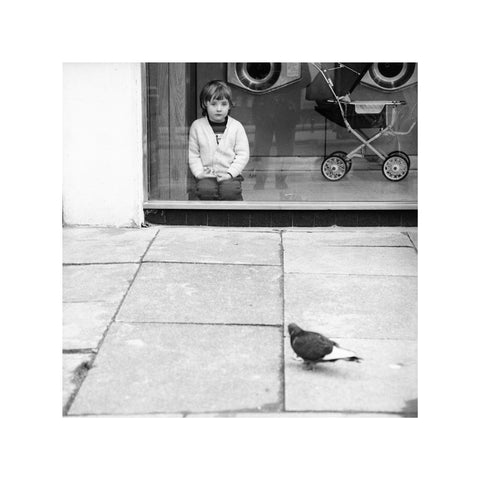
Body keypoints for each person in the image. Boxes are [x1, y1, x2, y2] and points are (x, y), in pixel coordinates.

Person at [188, 80, 249, 200]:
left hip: (230, 174)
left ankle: (233, 217)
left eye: (224, 104)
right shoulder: (197, 126)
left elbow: (243, 154)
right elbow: (193, 154)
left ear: (230, 105)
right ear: (205, 103)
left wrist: (230, 173)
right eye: (214, 104)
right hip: (206, 175)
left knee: (230, 191)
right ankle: (207, 218)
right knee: (205, 191)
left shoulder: (236, 127)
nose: (219, 109)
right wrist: (199, 173)